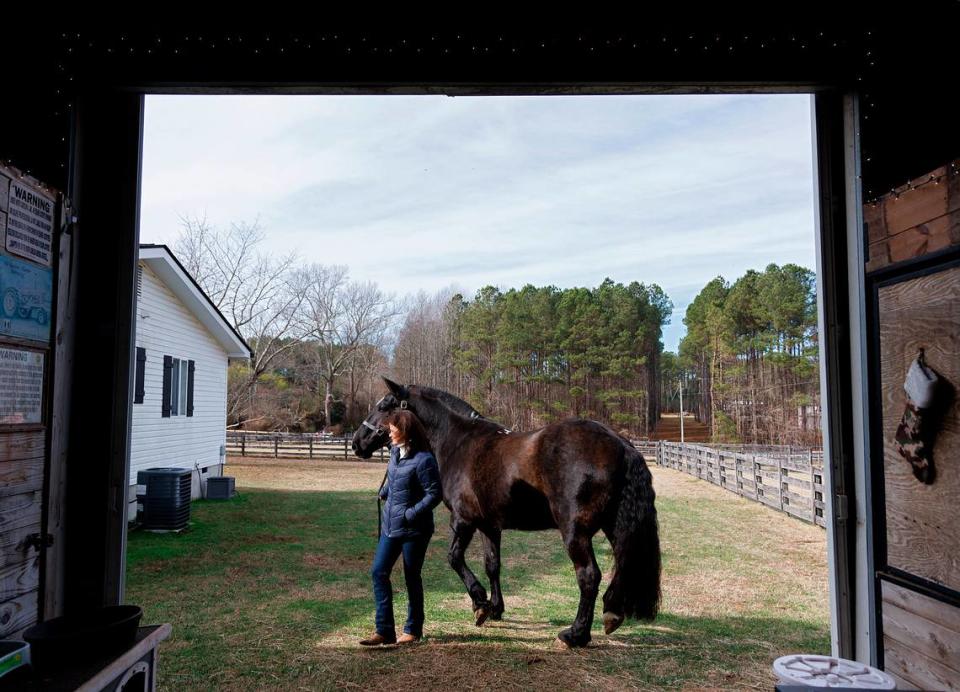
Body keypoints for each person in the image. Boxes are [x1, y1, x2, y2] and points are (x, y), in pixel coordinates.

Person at [360, 409, 442, 646]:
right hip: (390, 525)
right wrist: (385, 492)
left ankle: (413, 629)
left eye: (394, 429)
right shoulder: (395, 452)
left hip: (414, 530)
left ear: (406, 432)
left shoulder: (424, 459)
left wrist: (411, 513)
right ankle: (384, 630)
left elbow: (434, 494)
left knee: (411, 577)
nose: (390, 432)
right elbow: (396, 479)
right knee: (378, 572)